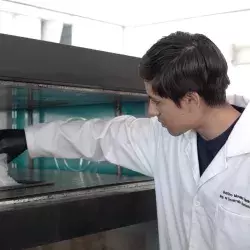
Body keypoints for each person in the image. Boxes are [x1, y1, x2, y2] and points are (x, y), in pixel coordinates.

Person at [0, 31, 249, 250]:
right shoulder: (165, 139)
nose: (152, 111)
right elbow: (101, 135)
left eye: (158, 101)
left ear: (191, 100)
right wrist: (26, 138)